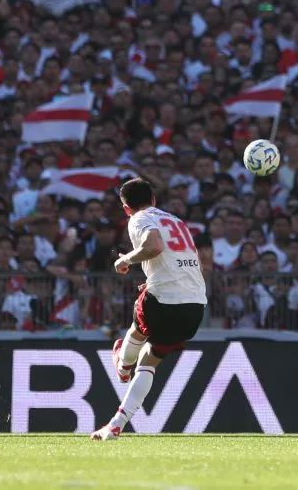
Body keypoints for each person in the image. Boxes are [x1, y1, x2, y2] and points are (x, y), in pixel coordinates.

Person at [91, 178, 206, 441]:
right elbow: (186, 260)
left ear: (126, 208)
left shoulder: (139, 218)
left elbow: (154, 247)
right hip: (195, 306)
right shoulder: (176, 221)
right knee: (150, 362)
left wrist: (125, 260)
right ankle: (115, 425)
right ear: (154, 199)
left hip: (163, 301)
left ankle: (122, 365)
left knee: (139, 324)